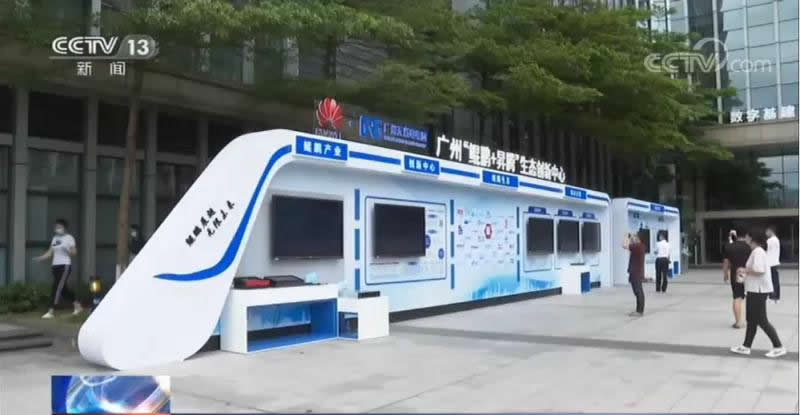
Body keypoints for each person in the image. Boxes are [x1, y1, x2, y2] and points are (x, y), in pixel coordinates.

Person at [730, 228, 786, 358]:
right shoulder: (756, 251)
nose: (745, 238)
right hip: (754, 289)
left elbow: (760, 270)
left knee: (761, 320)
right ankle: (746, 346)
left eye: (747, 236)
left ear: (752, 238)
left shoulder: (758, 252)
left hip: (758, 290)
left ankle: (778, 346)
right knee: (751, 320)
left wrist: (744, 270)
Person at [33, 219, 82, 319]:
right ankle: (78, 306)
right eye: (56, 227)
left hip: (65, 266)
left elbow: (74, 252)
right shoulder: (55, 238)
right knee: (63, 289)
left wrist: (67, 250)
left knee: (56, 287)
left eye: (59, 227)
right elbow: (50, 252)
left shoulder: (69, 238)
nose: (57, 228)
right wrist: (40, 258)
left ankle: (51, 311)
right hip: (55, 266)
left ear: (64, 227)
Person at [722, 230, 749, 329]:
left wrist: (725, 274)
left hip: (736, 272)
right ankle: (753, 320)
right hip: (749, 272)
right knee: (752, 297)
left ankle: (738, 322)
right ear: (745, 236)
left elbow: (726, 262)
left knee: (737, 297)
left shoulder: (729, 246)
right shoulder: (749, 246)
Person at [624, 232, 646, 317]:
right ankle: (639, 310)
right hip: (637, 272)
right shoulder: (640, 246)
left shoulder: (637, 246)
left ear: (638, 238)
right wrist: (631, 239)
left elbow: (624, 245)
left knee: (638, 291)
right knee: (638, 291)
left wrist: (626, 236)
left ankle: (639, 311)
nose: (633, 238)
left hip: (635, 273)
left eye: (635, 237)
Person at [765, 226, 780, 303]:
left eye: (767, 232)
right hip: (775, 262)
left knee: (770, 281)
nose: (766, 233)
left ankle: (771, 297)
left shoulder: (770, 240)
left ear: (771, 231)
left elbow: (765, 250)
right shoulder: (777, 239)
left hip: (769, 263)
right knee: (775, 281)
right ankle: (776, 297)